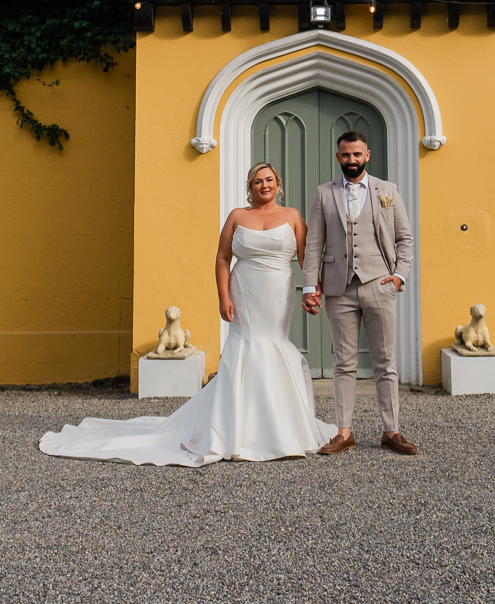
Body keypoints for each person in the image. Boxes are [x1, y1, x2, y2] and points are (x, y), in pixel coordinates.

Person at [38, 161, 338, 466]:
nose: (264, 185)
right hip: (244, 289)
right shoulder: (237, 216)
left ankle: (282, 427)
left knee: (271, 343)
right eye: (257, 181)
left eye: (269, 180)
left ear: (278, 183)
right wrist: (224, 297)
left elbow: (307, 258)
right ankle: (235, 430)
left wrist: (313, 291)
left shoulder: (293, 217)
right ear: (250, 187)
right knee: (246, 346)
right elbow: (222, 258)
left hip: (277, 290)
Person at [302, 131, 418, 455]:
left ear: (367, 154)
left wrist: (398, 276)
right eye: (345, 155)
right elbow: (314, 244)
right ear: (337, 157)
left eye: (357, 154)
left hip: (380, 285)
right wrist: (310, 286)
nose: (351, 160)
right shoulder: (324, 194)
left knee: (385, 361)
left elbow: (405, 239)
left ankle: (391, 431)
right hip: (339, 289)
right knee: (344, 363)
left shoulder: (388, 191)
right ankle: (343, 432)